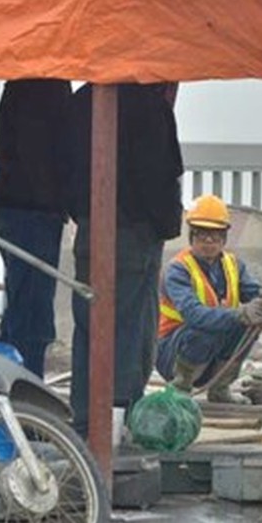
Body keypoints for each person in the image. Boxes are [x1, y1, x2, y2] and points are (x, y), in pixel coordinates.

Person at [67, 82, 186, 439]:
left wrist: (84, 215)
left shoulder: (83, 99)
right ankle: (118, 416)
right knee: (130, 328)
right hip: (134, 233)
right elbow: (160, 178)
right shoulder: (149, 105)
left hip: (90, 229)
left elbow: (65, 166)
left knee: (88, 324)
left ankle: (86, 417)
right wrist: (162, 225)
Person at [154, 194, 262, 404]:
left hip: (211, 354)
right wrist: (241, 313)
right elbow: (194, 315)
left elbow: (253, 291)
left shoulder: (233, 265)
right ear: (192, 236)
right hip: (172, 353)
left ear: (224, 238)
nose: (208, 241)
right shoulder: (178, 270)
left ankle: (220, 388)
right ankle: (180, 388)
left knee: (248, 326)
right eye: (202, 235)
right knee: (208, 325)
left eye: (215, 236)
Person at [0, 79, 74, 377]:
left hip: (25, 208)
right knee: (31, 315)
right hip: (32, 211)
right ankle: (23, 394)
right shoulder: (41, 85)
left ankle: (18, 389)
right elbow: (38, 151)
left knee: (24, 309)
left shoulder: (28, 82)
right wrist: (60, 198)